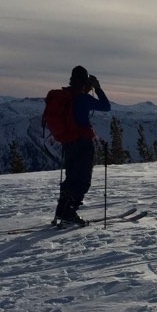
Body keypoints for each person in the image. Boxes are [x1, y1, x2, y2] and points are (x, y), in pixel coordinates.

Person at [54, 66, 111, 225]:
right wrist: (97, 88)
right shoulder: (83, 99)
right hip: (83, 143)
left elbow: (76, 104)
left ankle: (62, 208)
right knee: (83, 180)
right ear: (84, 81)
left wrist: (86, 89)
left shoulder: (67, 97)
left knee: (71, 177)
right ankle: (69, 211)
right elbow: (106, 106)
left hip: (68, 143)